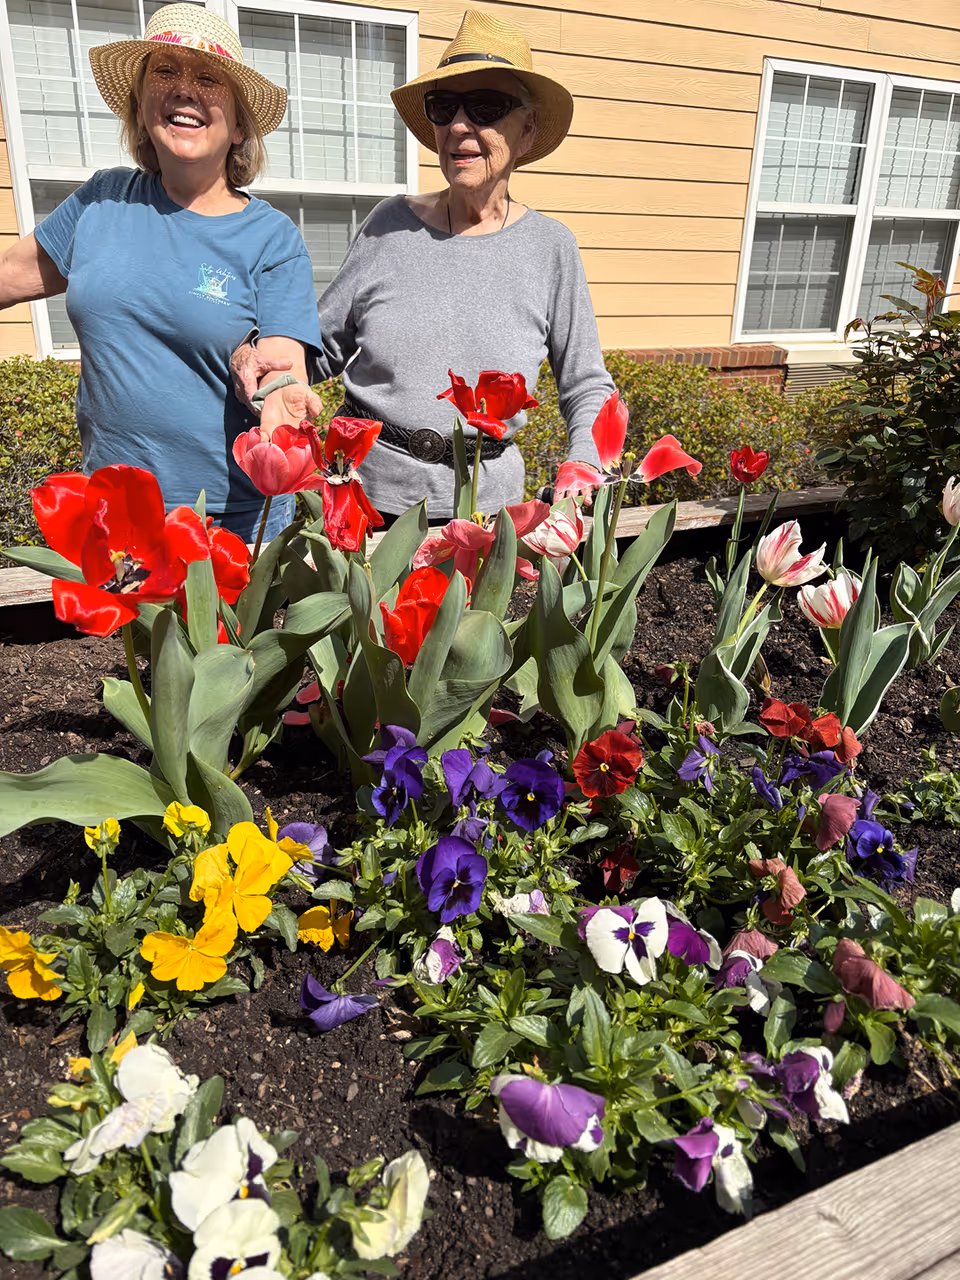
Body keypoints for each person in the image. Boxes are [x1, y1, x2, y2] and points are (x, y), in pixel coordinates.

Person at [231, 9, 612, 522]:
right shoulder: (389, 225)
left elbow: (586, 383)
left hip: (486, 513)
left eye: (485, 106)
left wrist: (583, 463)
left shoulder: (551, 248)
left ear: (527, 131)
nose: (459, 125)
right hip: (364, 500)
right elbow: (322, 347)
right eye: (444, 106)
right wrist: (264, 356)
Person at [0, 4, 321, 542]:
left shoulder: (271, 237)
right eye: (165, 71)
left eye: (208, 78)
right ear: (141, 103)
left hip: (227, 522)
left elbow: (282, 371)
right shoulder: (102, 201)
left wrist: (274, 387)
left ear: (240, 124)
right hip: (115, 510)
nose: (183, 90)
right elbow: (9, 274)